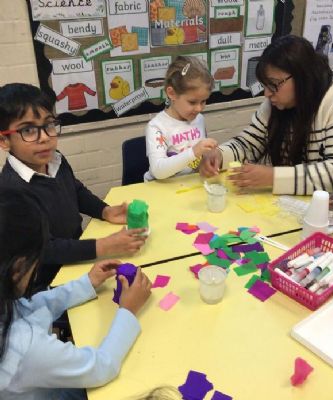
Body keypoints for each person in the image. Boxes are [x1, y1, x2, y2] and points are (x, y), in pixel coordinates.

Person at [200, 35, 333, 197]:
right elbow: (251, 143)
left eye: (274, 84)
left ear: (302, 75)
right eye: (265, 86)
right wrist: (220, 155)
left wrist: (273, 178)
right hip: (321, 202)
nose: (268, 94)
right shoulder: (280, 101)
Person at [0, 187, 152, 400]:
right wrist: (128, 311)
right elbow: (101, 368)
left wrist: (86, 283)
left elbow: (30, 307)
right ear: (17, 269)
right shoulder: (23, 347)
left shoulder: (6, 303)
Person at [0, 83, 147, 290]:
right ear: (4, 141)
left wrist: (104, 211)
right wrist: (104, 245)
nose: (44, 138)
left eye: (49, 125)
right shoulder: (11, 191)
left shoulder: (55, 160)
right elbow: (45, 249)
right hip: (48, 281)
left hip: (79, 254)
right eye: (29, 130)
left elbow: (75, 190)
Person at [144, 56, 218, 180]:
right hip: (161, 189)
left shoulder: (199, 119)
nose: (199, 109)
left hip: (189, 185)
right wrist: (193, 152)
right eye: (192, 102)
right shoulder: (157, 126)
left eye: (204, 101)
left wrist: (207, 160)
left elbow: (199, 158)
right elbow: (158, 171)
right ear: (171, 93)